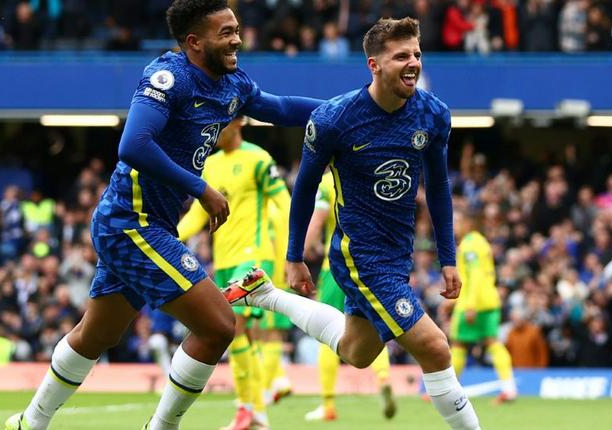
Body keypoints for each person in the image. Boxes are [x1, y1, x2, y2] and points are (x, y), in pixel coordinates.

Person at [5, 1, 321, 429]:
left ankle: (29, 422)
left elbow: (281, 109)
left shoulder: (232, 84)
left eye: (236, 29)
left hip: (151, 224)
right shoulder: (168, 77)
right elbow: (133, 144)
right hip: (130, 222)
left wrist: (351, 110)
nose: (237, 39)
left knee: (97, 334)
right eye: (225, 32)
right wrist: (202, 189)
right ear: (194, 42)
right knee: (219, 325)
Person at [224, 17, 481, 430]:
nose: (413, 62)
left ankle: (264, 295)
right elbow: (305, 188)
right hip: (360, 255)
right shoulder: (335, 120)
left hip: (398, 255)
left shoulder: (433, 115)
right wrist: (294, 256)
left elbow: (438, 186)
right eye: (401, 56)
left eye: (416, 53)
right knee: (435, 347)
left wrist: (447, 256)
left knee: (357, 352)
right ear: (374, 65)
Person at [177, 116, 292, 430]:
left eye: (220, 123)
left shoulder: (258, 159)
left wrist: (287, 257)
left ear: (239, 121)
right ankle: (256, 411)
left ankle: (248, 408)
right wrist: (170, 236)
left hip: (254, 259)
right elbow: (199, 212)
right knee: (240, 334)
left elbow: (284, 204)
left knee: (237, 326)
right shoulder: (210, 165)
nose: (214, 130)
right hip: (224, 260)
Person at [302, 170, 396, 422]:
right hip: (371, 267)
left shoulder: (328, 181)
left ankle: (328, 404)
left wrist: (301, 252)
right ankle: (384, 378)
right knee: (375, 329)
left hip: (337, 269)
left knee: (327, 334)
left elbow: (318, 220)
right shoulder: (369, 173)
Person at [439, 210, 517, 404]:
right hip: (490, 301)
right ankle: (509, 388)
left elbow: (474, 276)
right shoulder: (482, 243)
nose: (454, 227)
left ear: (468, 224)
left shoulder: (470, 244)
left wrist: (470, 304)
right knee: (493, 342)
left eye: (458, 222)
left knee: (458, 344)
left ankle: (448, 391)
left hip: (473, 304)